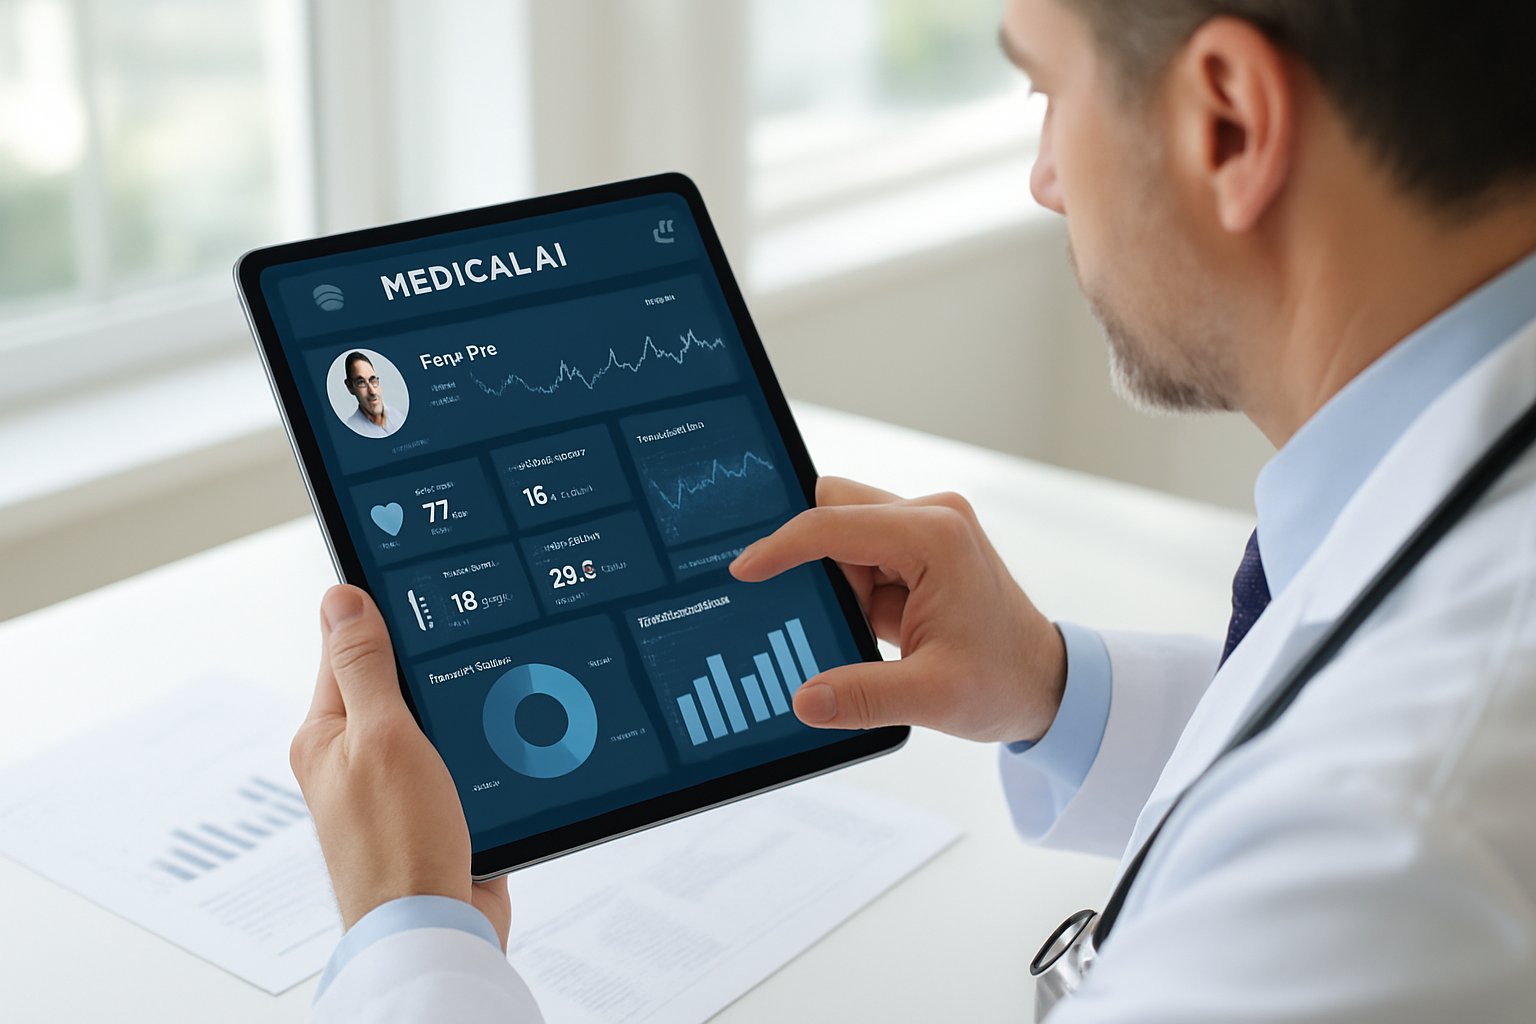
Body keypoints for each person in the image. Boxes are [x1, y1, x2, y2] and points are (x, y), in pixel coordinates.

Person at [293, 0, 1536, 1019]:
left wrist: (410, 937)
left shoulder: (1384, 867)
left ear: (1227, 123)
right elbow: (1334, 694)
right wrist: (1057, 689)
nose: (1046, 178)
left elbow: (1354, 799)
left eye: (1048, 90)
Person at [339, 352, 405, 438]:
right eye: (361, 382)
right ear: (350, 387)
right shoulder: (351, 432)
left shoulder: (400, 416)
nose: (372, 391)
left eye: (373, 380)